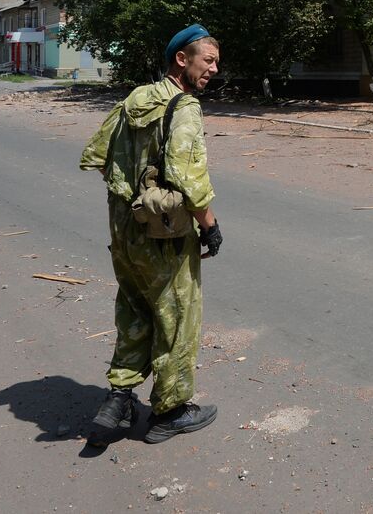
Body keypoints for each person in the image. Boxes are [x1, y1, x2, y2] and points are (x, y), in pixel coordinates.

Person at [79, 25, 225, 444]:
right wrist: (209, 225)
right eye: (208, 60)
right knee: (177, 317)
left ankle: (120, 397)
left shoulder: (135, 99)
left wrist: (137, 192)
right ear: (183, 59)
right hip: (162, 234)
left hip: (125, 230)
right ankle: (171, 410)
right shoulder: (185, 105)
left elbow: (98, 156)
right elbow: (186, 173)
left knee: (134, 310)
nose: (214, 69)